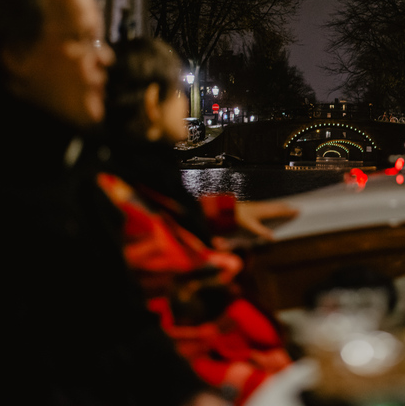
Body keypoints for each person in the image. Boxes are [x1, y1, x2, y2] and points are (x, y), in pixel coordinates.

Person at [0, 0, 225, 406]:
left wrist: (193, 395)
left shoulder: (74, 169)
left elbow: (123, 326)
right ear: (17, 55)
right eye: (83, 39)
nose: (105, 57)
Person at [98, 38, 297, 405]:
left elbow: (173, 215)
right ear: (151, 104)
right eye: (178, 89)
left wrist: (225, 212)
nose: (187, 100)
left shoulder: (143, 184)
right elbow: (170, 330)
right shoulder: (125, 205)